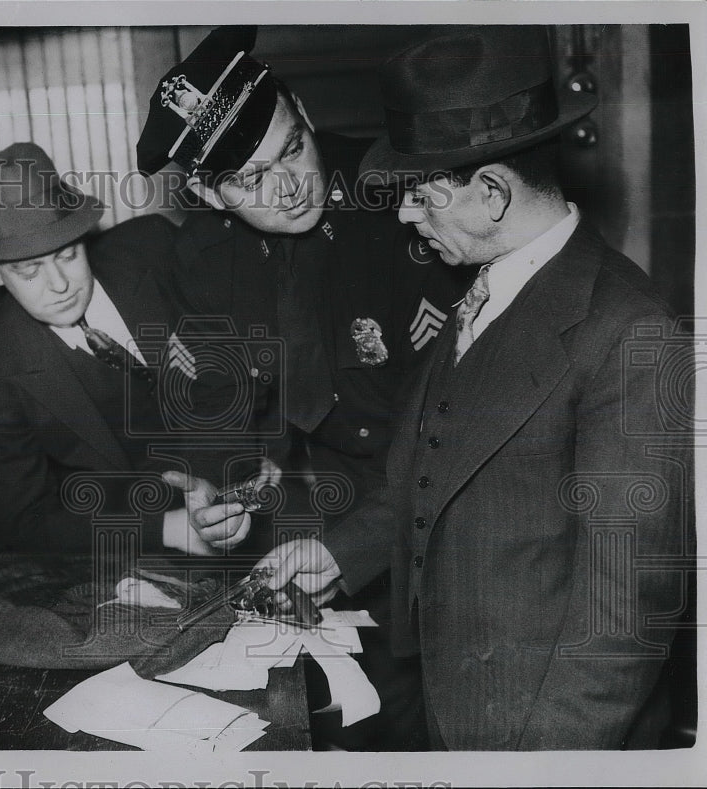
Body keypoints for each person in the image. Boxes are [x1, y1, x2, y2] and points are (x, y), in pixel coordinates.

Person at [259, 26, 689, 750]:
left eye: (420, 197)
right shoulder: (491, 282)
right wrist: (339, 552)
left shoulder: (629, 335)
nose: (401, 215)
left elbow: (624, 616)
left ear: (491, 193)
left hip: (544, 730)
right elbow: (439, 466)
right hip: (459, 697)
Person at [135, 26, 470, 750]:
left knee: (429, 725)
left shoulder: (401, 207)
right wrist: (222, 485)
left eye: (292, 147)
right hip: (313, 513)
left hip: (436, 514)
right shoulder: (202, 253)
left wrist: (355, 548)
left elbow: (457, 431)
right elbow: (222, 401)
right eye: (248, 179)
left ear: (306, 114)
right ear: (204, 191)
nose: (288, 186)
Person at [0, 142, 252, 562]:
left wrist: (234, 480)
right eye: (28, 270)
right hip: (134, 545)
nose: (59, 285)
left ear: (82, 236)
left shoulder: (154, 248)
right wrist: (166, 529)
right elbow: (28, 521)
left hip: (247, 478)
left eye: (67, 255)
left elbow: (237, 365)